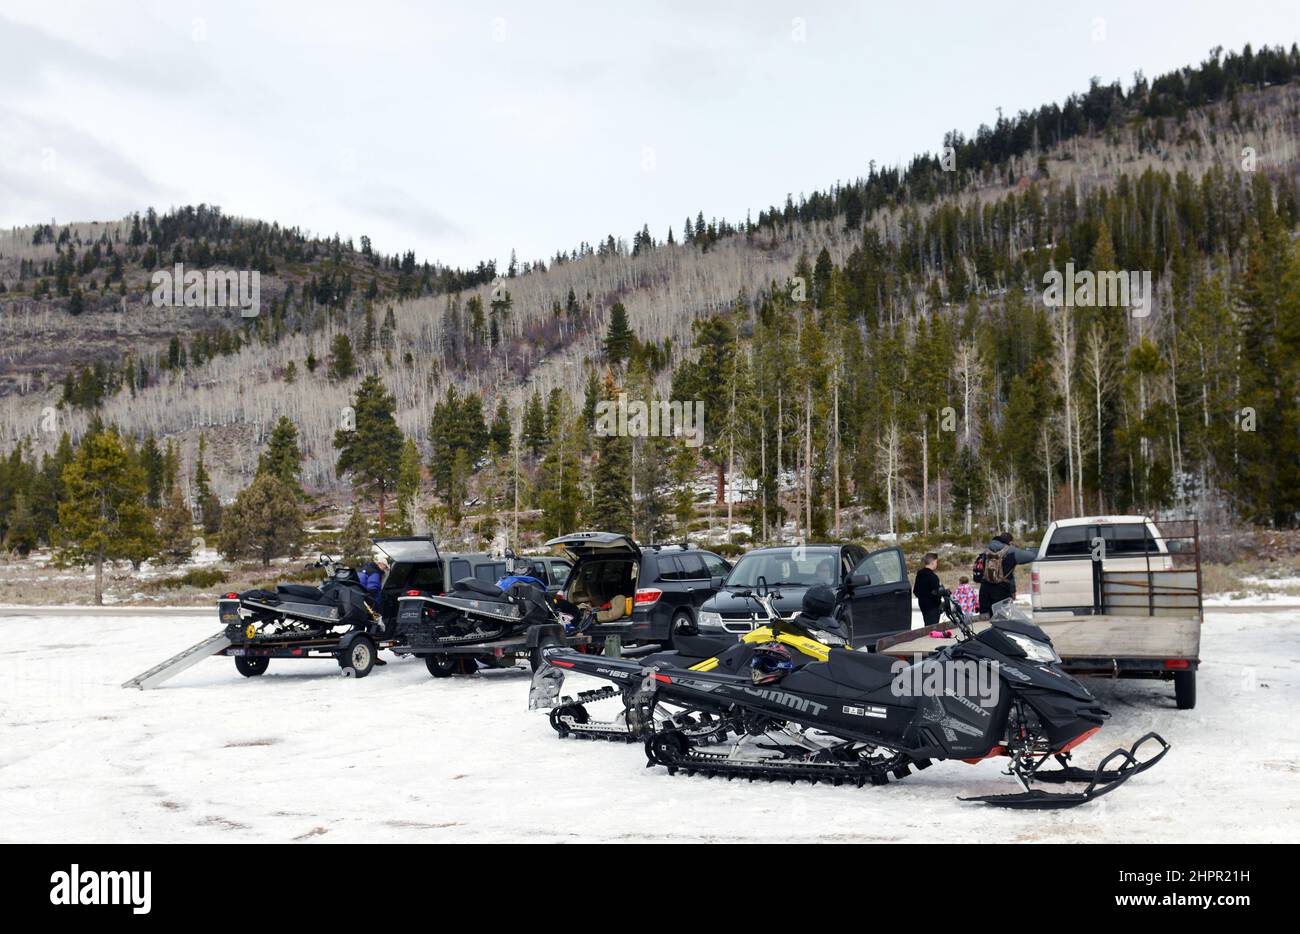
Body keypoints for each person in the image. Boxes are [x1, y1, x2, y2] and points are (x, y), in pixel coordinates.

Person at [975, 532, 1036, 614]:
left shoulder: (986, 550)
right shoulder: (1012, 551)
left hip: (985, 589)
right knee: (1003, 619)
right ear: (1009, 542)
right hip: (1002, 590)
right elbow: (1031, 556)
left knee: (985, 619)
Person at [912, 552, 942, 628]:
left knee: (927, 626)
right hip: (933, 606)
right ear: (932, 562)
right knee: (933, 628)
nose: (936, 564)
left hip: (923, 605)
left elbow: (915, 590)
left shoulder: (919, 575)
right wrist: (938, 603)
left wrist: (923, 598)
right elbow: (937, 593)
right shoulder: (933, 577)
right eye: (936, 562)